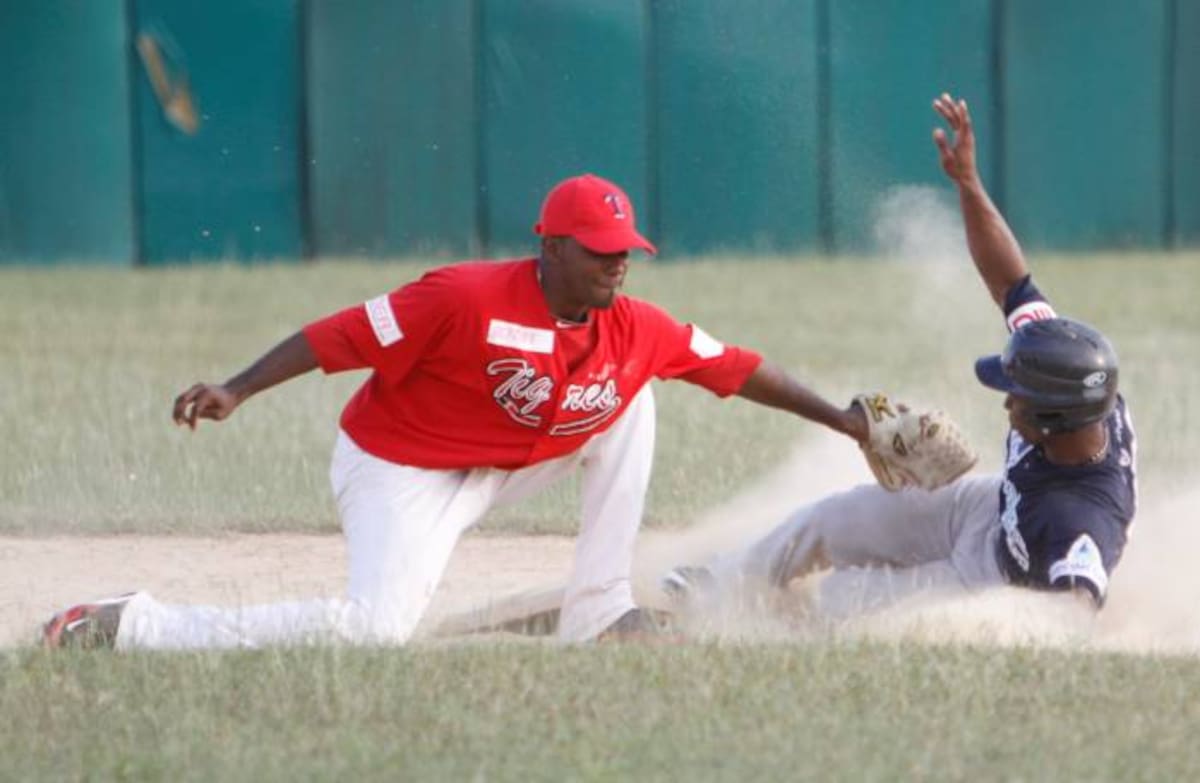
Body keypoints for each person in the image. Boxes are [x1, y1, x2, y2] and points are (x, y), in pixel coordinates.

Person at [43, 173, 870, 650]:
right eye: (599, 249)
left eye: (626, 250)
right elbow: (343, 336)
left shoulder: (633, 327)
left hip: (508, 460)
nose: (619, 262)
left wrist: (846, 421)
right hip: (399, 469)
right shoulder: (461, 296)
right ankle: (135, 625)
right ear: (551, 247)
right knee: (373, 631)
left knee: (631, 396)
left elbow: (738, 366)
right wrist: (237, 387)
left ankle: (598, 609)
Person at [663, 94, 1138, 618]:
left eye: (1017, 399)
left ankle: (768, 619)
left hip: (986, 577)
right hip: (984, 508)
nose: (1007, 405)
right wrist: (969, 184)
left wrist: (995, 621)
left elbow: (1073, 612)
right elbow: (1010, 282)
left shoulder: (1081, 521)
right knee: (830, 520)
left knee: (835, 602)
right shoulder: (1067, 369)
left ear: (1054, 420)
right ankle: (717, 586)